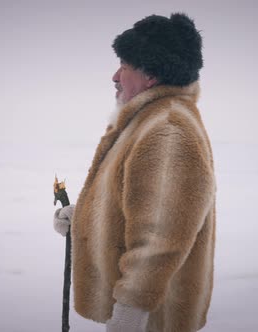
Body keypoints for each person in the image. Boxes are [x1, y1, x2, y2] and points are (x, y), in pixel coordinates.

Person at [53, 13, 216, 332]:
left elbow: (162, 235)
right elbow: (135, 203)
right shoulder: (148, 121)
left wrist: (131, 311)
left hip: (151, 319)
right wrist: (83, 216)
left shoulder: (167, 129)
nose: (115, 76)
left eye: (124, 65)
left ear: (151, 75)